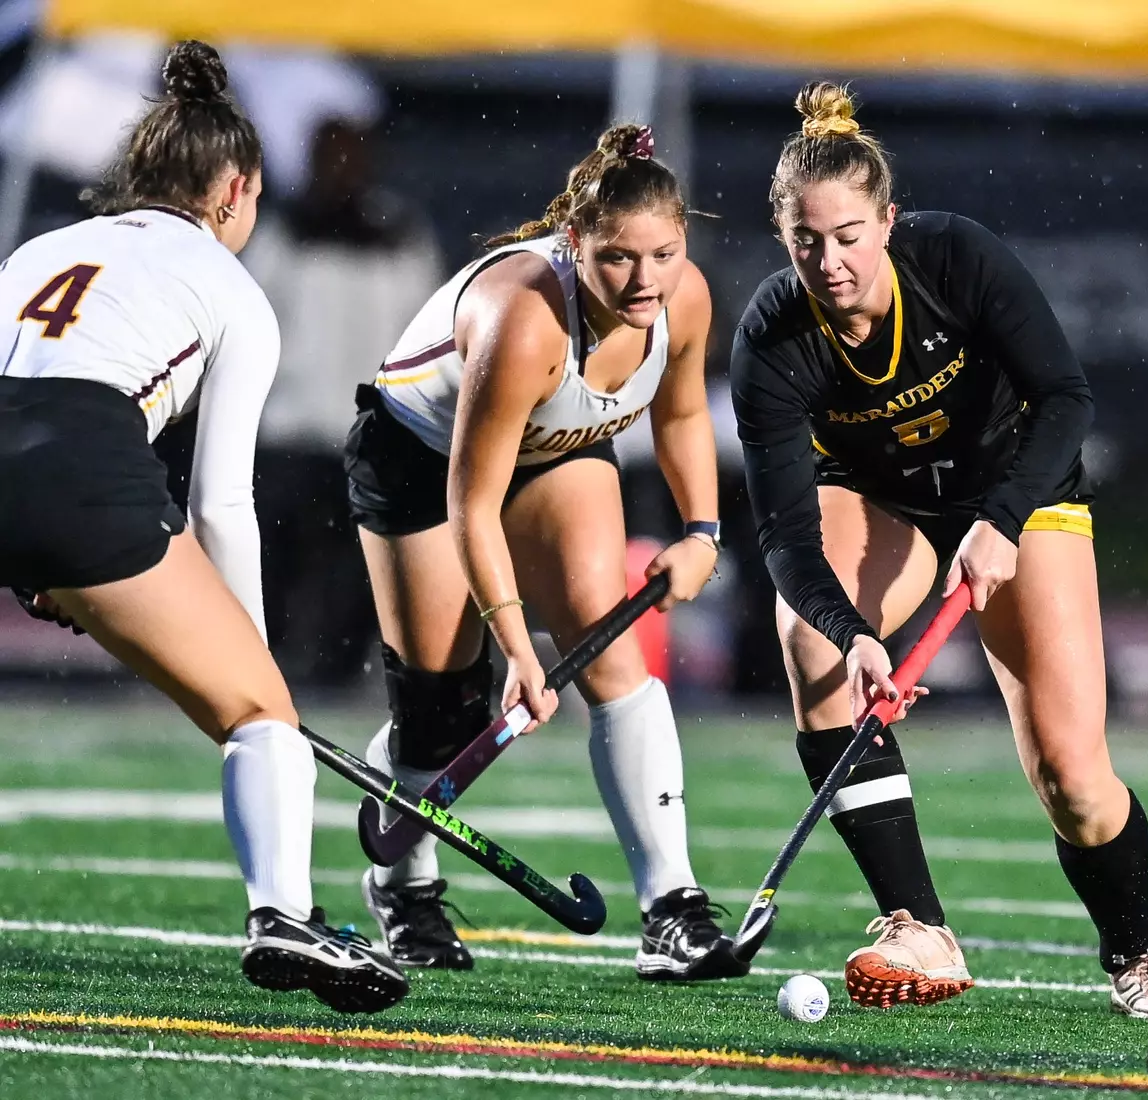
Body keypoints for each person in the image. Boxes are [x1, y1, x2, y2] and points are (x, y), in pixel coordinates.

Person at [730, 83, 1148, 1017]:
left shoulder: (954, 257)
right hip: (883, 505)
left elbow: (1065, 398)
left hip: (1018, 497)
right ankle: (919, 927)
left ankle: (1137, 951)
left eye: (851, 235)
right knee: (811, 643)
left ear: (887, 221)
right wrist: (853, 631)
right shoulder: (772, 341)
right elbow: (786, 533)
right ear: (784, 240)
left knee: (1071, 776)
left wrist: (1004, 517)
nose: (831, 262)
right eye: (807, 242)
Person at [0, 40, 406, 1013]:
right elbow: (223, 501)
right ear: (238, 189)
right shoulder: (232, 289)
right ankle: (285, 913)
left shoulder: (40, 247)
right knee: (258, 715)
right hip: (86, 462)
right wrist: (250, 658)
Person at [345, 123, 742, 981]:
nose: (644, 282)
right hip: (425, 459)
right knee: (441, 704)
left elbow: (677, 414)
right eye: (617, 260)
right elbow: (471, 500)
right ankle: (404, 889)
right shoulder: (525, 320)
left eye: (663, 255)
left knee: (610, 648)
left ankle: (671, 908)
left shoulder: (687, 297)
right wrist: (519, 650)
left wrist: (702, 533)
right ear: (574, 245)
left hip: (556, 446)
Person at [244, 117, 444, 686]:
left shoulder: (400, 234)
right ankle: (267, 662)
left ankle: (333, 671)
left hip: (369, 430)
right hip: (290, 428)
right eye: (330, 155)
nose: (341, 167)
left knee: (355, 569)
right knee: (275, 561)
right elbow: (254, 317)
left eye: (351, 155)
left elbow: (425, 327)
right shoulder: (284, 232)